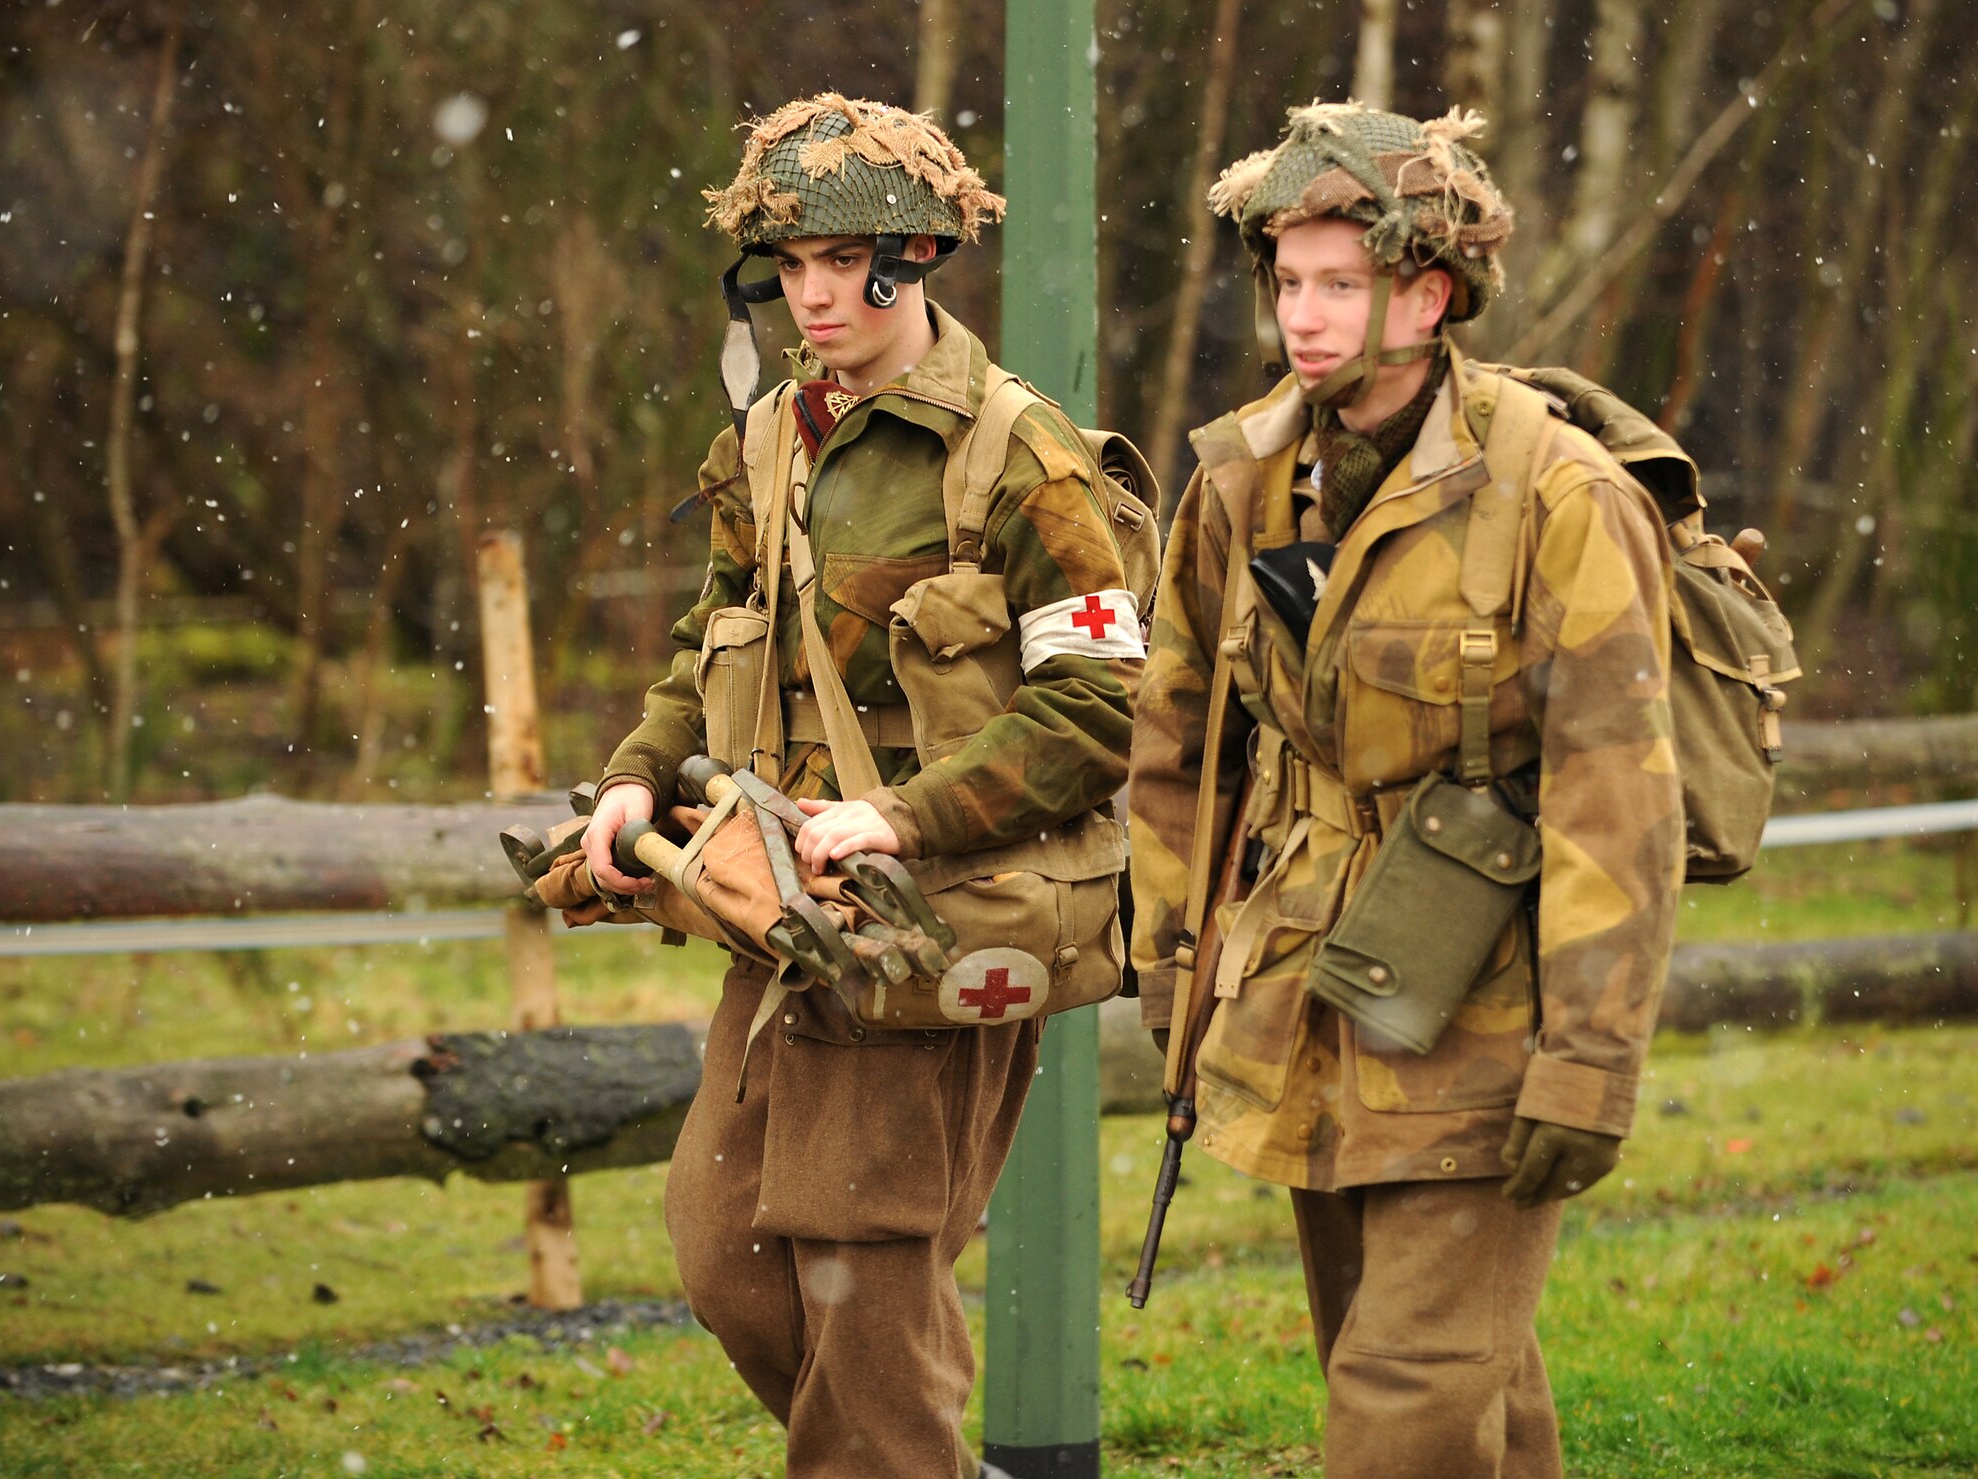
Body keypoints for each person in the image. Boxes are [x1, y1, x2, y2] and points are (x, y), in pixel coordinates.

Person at [579, 95, 1143, 1479]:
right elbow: (709, 638)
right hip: (776, 913)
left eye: (841, 266)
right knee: (728, 1260)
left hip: (937, 916)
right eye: (788, 267)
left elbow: (1105, 703)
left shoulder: (1021, 454)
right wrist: (635, 781)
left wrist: (901, 812)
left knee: (865, 1268)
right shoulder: (770, 440)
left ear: (914, 261)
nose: (809, 296)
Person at [1127, 103, 1683, 1478]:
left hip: (1491, 1006)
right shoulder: (1246, 480)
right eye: (1287, 282)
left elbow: (1619, 799)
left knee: (1402, 1401)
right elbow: (1180, 737)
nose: (1303, 318)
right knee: (1434, 1378)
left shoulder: (1557, 494)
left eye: (1342, 285)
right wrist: (1172, 957)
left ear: (1428, 296)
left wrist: (1591, 1064)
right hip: (1312, 989)